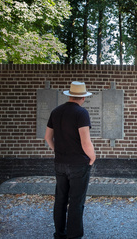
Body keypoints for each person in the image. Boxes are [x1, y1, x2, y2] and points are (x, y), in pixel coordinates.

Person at [44, 81, 96, 239]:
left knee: (60, 199)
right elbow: (85, 142)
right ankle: (74, 236)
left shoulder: (56, 111)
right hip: (78, 164)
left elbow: (47, 137)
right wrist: (92, 158)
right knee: (76, 202)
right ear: (83, 98)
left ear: (70, 95)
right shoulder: (81, 113)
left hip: (59, 163)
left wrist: (57, 150)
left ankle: (59, 234)